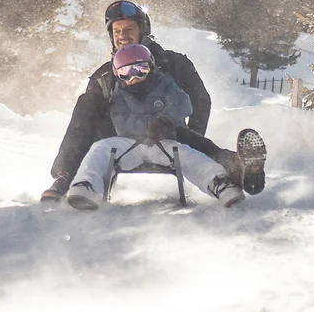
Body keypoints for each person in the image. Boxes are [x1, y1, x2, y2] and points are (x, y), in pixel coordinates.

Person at [42, 0, 265, 201]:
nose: (122, 35)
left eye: (129, 29)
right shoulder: (105, 75)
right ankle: (67, 176)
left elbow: (200, 100)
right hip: (119, 138)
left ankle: (236, 168)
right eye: (116, 31)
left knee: (185, 135)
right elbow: (86, 119)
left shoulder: (173, 63)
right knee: (86, 102)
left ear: (143, 31)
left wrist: (191, 137)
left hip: (168, 133)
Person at [66, 43, 243, 210]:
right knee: (100, 149)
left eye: (140, 70)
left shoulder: (164, 84)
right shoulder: (118, 94)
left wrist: (165, 122)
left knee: (186, 154)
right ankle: (86, 185)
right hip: (129, 144)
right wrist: (148, 125)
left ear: (151, 67)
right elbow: (121, 122)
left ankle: (219, 184)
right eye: (126, 72)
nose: (134, 77)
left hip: (163, 141)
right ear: (118, 75)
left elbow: (182, 104)